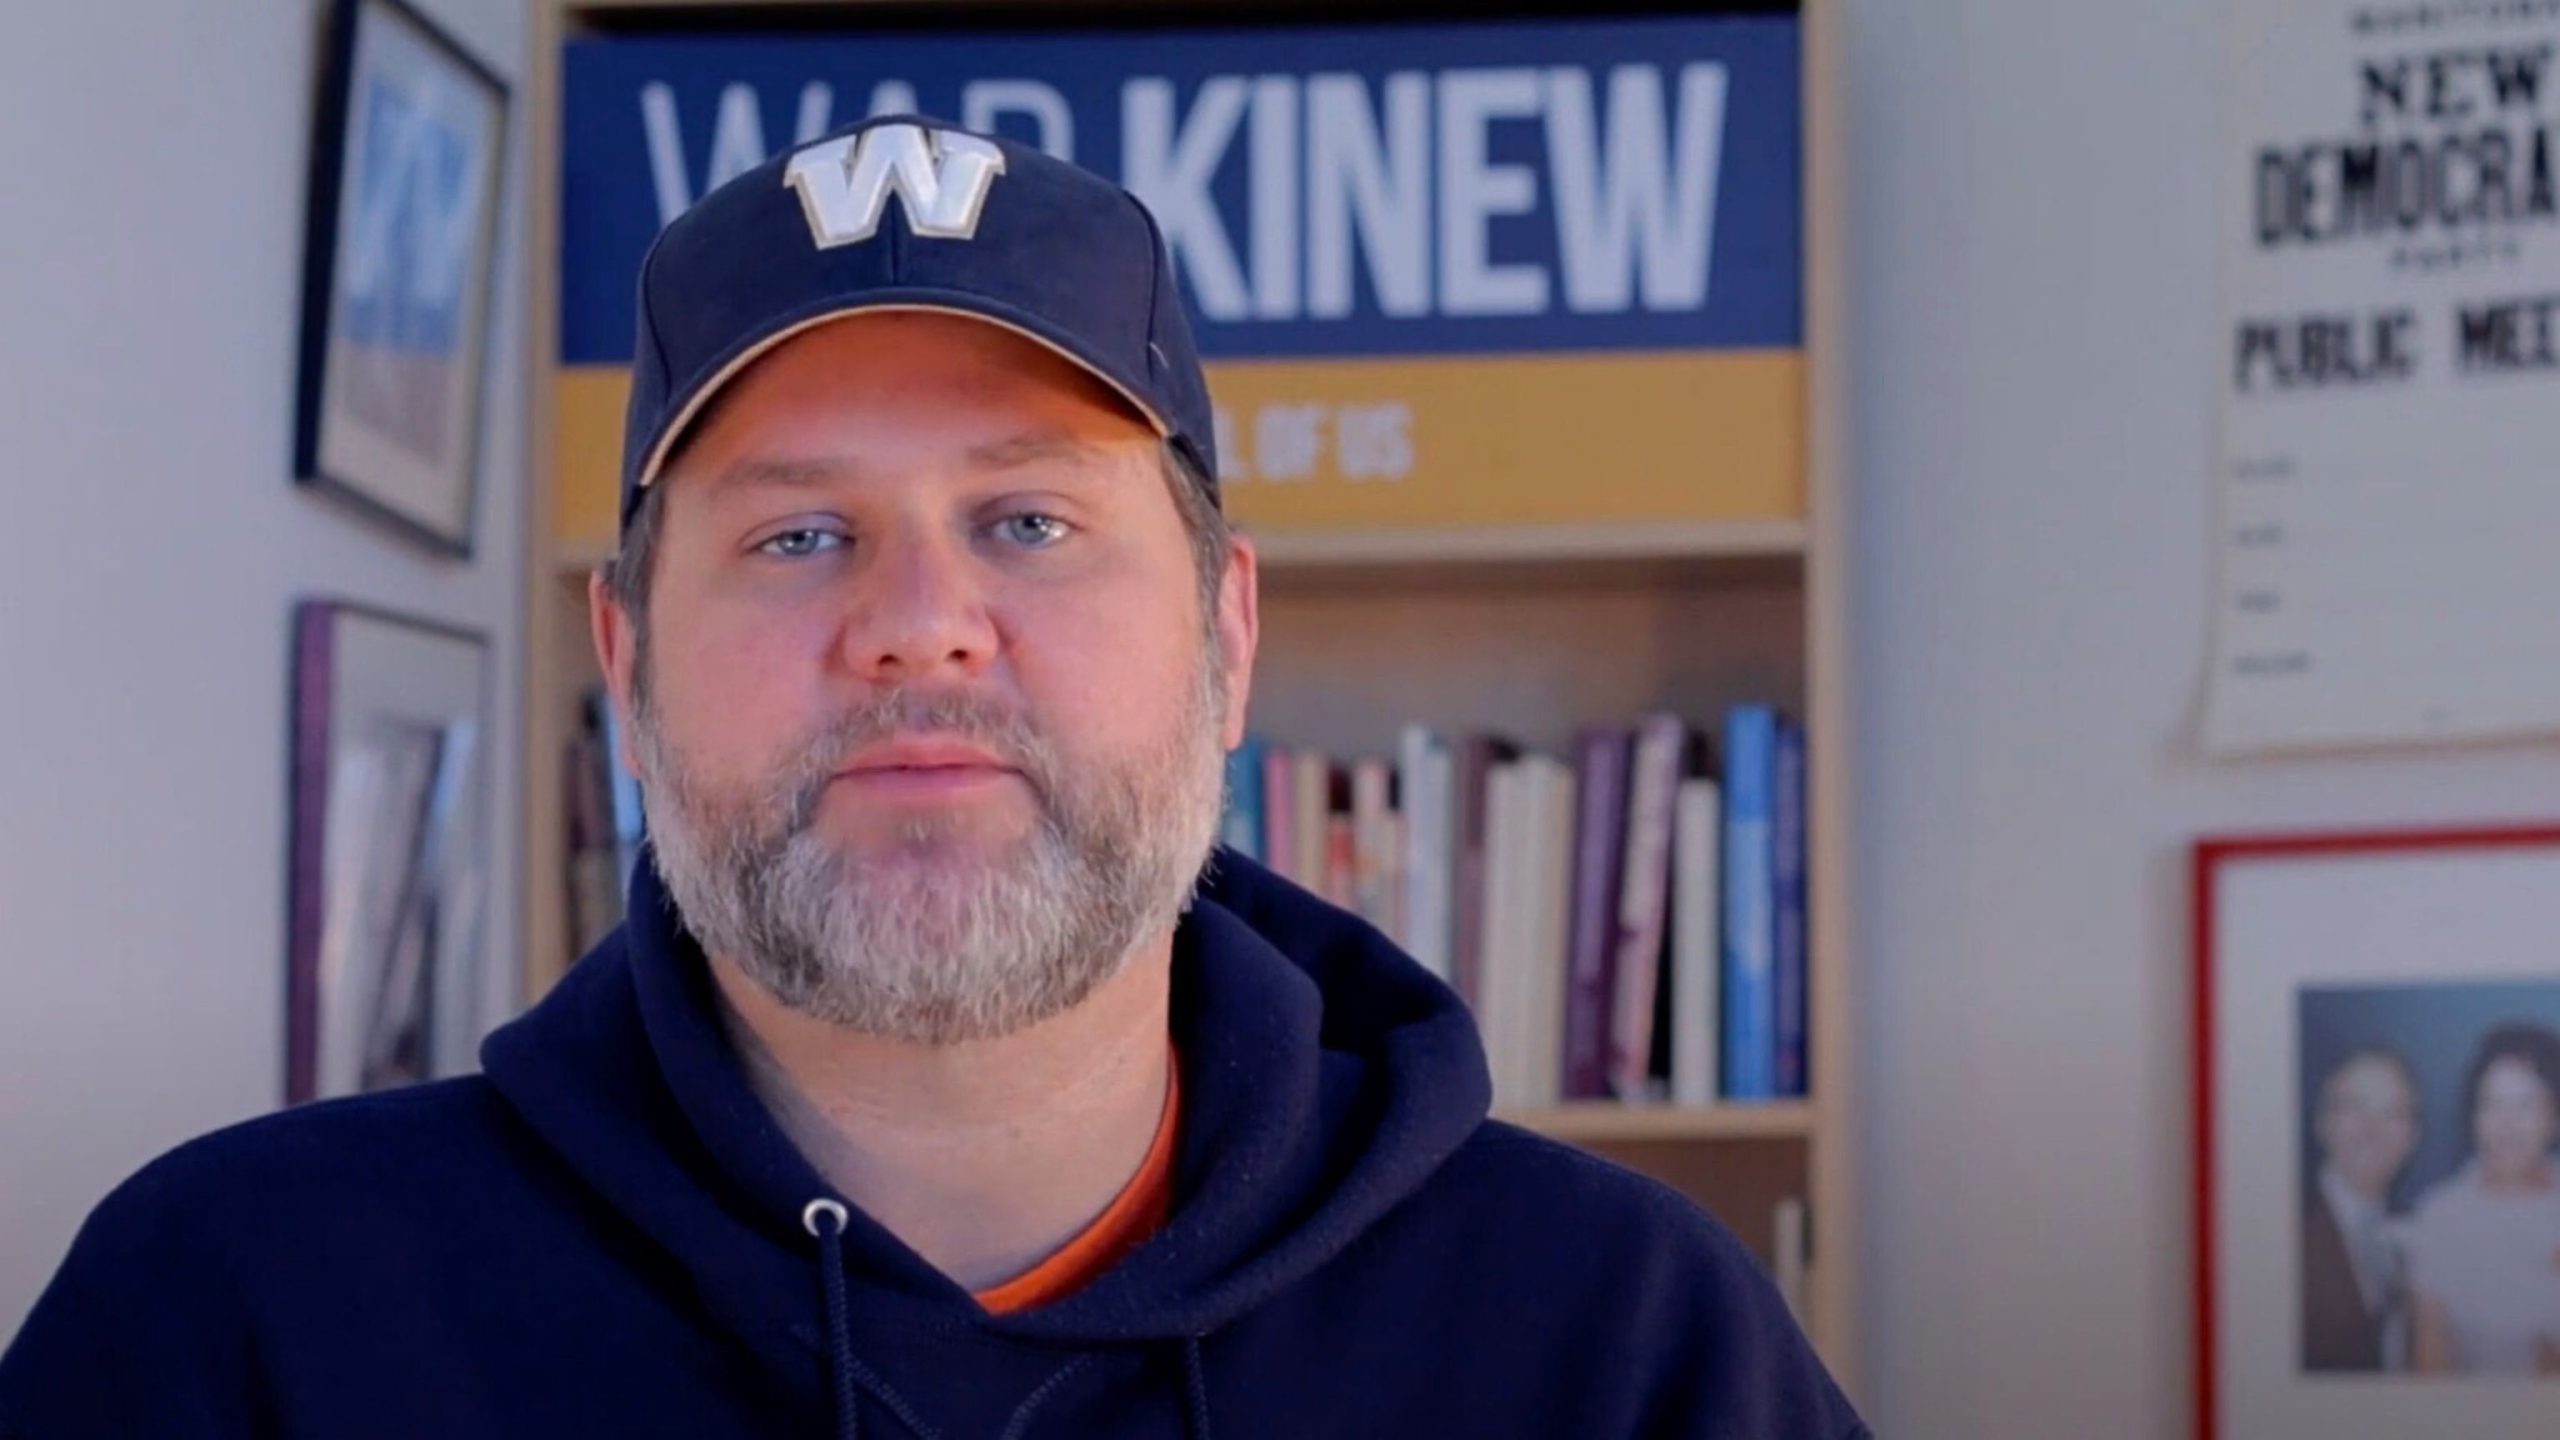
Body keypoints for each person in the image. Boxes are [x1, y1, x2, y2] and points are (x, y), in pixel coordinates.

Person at [0, 117, 1868, 1438]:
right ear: (629, 658)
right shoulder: (240, 1324)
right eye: (800, 536)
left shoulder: (1618, 1343)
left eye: (1031, 518)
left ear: (1227, 639)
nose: (920, 627)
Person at [2405, 1020, 2560, 1376]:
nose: (2506, 1124)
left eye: (2526, 1105)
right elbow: (2430, 1362)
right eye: (2492, 1104)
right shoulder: (2440, 1216)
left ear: (2554, 1118)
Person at [2301, 1047, 2420, 1372]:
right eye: (2355, 1108)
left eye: (2393, 1113)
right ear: (2322, 1123)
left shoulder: (2424, 1233)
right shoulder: (2284, 1232)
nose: (2372, 1129)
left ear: (2413, 1137)